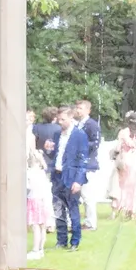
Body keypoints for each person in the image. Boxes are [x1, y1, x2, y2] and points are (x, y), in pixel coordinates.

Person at [49, 107, 89, 250]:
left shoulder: (80, 135)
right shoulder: (56, 135)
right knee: (58, 209)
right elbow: (55, 155)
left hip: (71, 177)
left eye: (63, 119)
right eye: (59, 119)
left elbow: (83, 159)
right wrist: (49, 150)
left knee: (73, 209)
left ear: (71, 118)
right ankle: (61, 240)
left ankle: (75, 241)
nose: (60, 122)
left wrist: (78, 180)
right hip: (57, 176)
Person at [75, 98, 105, 229]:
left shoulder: (92, 124)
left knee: (87, 195)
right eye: (77, 108)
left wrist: (81, 146)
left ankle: (91, 222)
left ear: (88, 110)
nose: (77, 110)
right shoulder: (76, 125)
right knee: (76, 195)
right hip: (76, 163)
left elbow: (95, 143)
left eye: (80, 108)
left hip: (88, 164)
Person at [114, 115, 136, 219]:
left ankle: (130, 210)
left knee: (129, 187)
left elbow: (119, 147)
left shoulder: (124, 133)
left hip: (129, 160)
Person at [24, 136, 53, 259]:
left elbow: (27, 187)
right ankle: (41, 249)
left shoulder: (30, 173)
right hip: (43, 202)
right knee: (42, 226)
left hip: (34, 201)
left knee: (35, 225)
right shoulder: (42, 174)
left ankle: (35, 249)